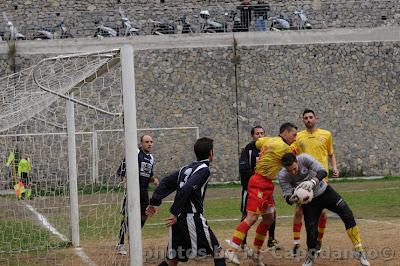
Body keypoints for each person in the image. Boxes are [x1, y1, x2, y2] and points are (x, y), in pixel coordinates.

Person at [278, 153, 370, 266]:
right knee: (311, 231)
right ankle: (311, 256)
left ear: (297, 161)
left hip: (325, 192)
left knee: (347, 213)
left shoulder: (305, 158)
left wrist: (312, 181)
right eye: (289, 170)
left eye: (294, 169)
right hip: (309, 202)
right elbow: (287, 196)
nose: (293, 172)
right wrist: (292, 199)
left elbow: (323, 171)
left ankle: (359, 250)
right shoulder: (282, 175)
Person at [226, 123, 298, 266]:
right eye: (293, 135)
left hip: (267, 184)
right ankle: (231, 250)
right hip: (258, 182)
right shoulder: (283, 148)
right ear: (285, 132)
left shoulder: (268, 140)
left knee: (269, 218)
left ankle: (256, 254)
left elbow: (257, 143)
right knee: (251, 217)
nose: (295, 138)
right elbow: (292, 163)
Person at [146, 137, 226, 266]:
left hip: (178, 221)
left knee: (172, 260)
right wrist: (174, 211)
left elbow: (166, 182)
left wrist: (154, 202)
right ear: (211, 153)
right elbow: (187, 188)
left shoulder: (186, 168)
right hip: (191, 218)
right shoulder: (204, 170)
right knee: (218, 252)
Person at [290, 109, 339, 256]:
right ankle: (296, 243)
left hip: (321, 178)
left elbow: (331, 153)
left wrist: (335, 167)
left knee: (323, 213)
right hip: (304, 180)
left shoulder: (326, 134)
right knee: (299, 210)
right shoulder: (298, 136)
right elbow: (292, 154)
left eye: (311, 117)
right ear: (303, 120)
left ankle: (318, 240)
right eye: (305, 118)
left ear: (316, 119)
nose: (308, 120)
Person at [238, 125, 280, 253]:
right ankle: (242, 242)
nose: (260, 136)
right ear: (253, 136)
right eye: (257, 134)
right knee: (247, 215)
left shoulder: (268, 149)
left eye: (262, 133)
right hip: (251, 189)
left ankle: (271, 240)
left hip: (266, 189)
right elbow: (243, 169)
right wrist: (257, 179)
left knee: (272, 214)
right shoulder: (247, 151)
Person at [116, 134, 159, 255]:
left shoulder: (150, 158)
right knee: (127, 217)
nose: (149, 143)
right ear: (141, 144)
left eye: (151, 141)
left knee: (146, 214)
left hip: (144, 191)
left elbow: (148, 175)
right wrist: (125, 183)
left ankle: (133, 235)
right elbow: (122, 171)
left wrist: (153, 180)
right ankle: (120, 244)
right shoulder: (134, 153)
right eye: (146, 141)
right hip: (132, 191)